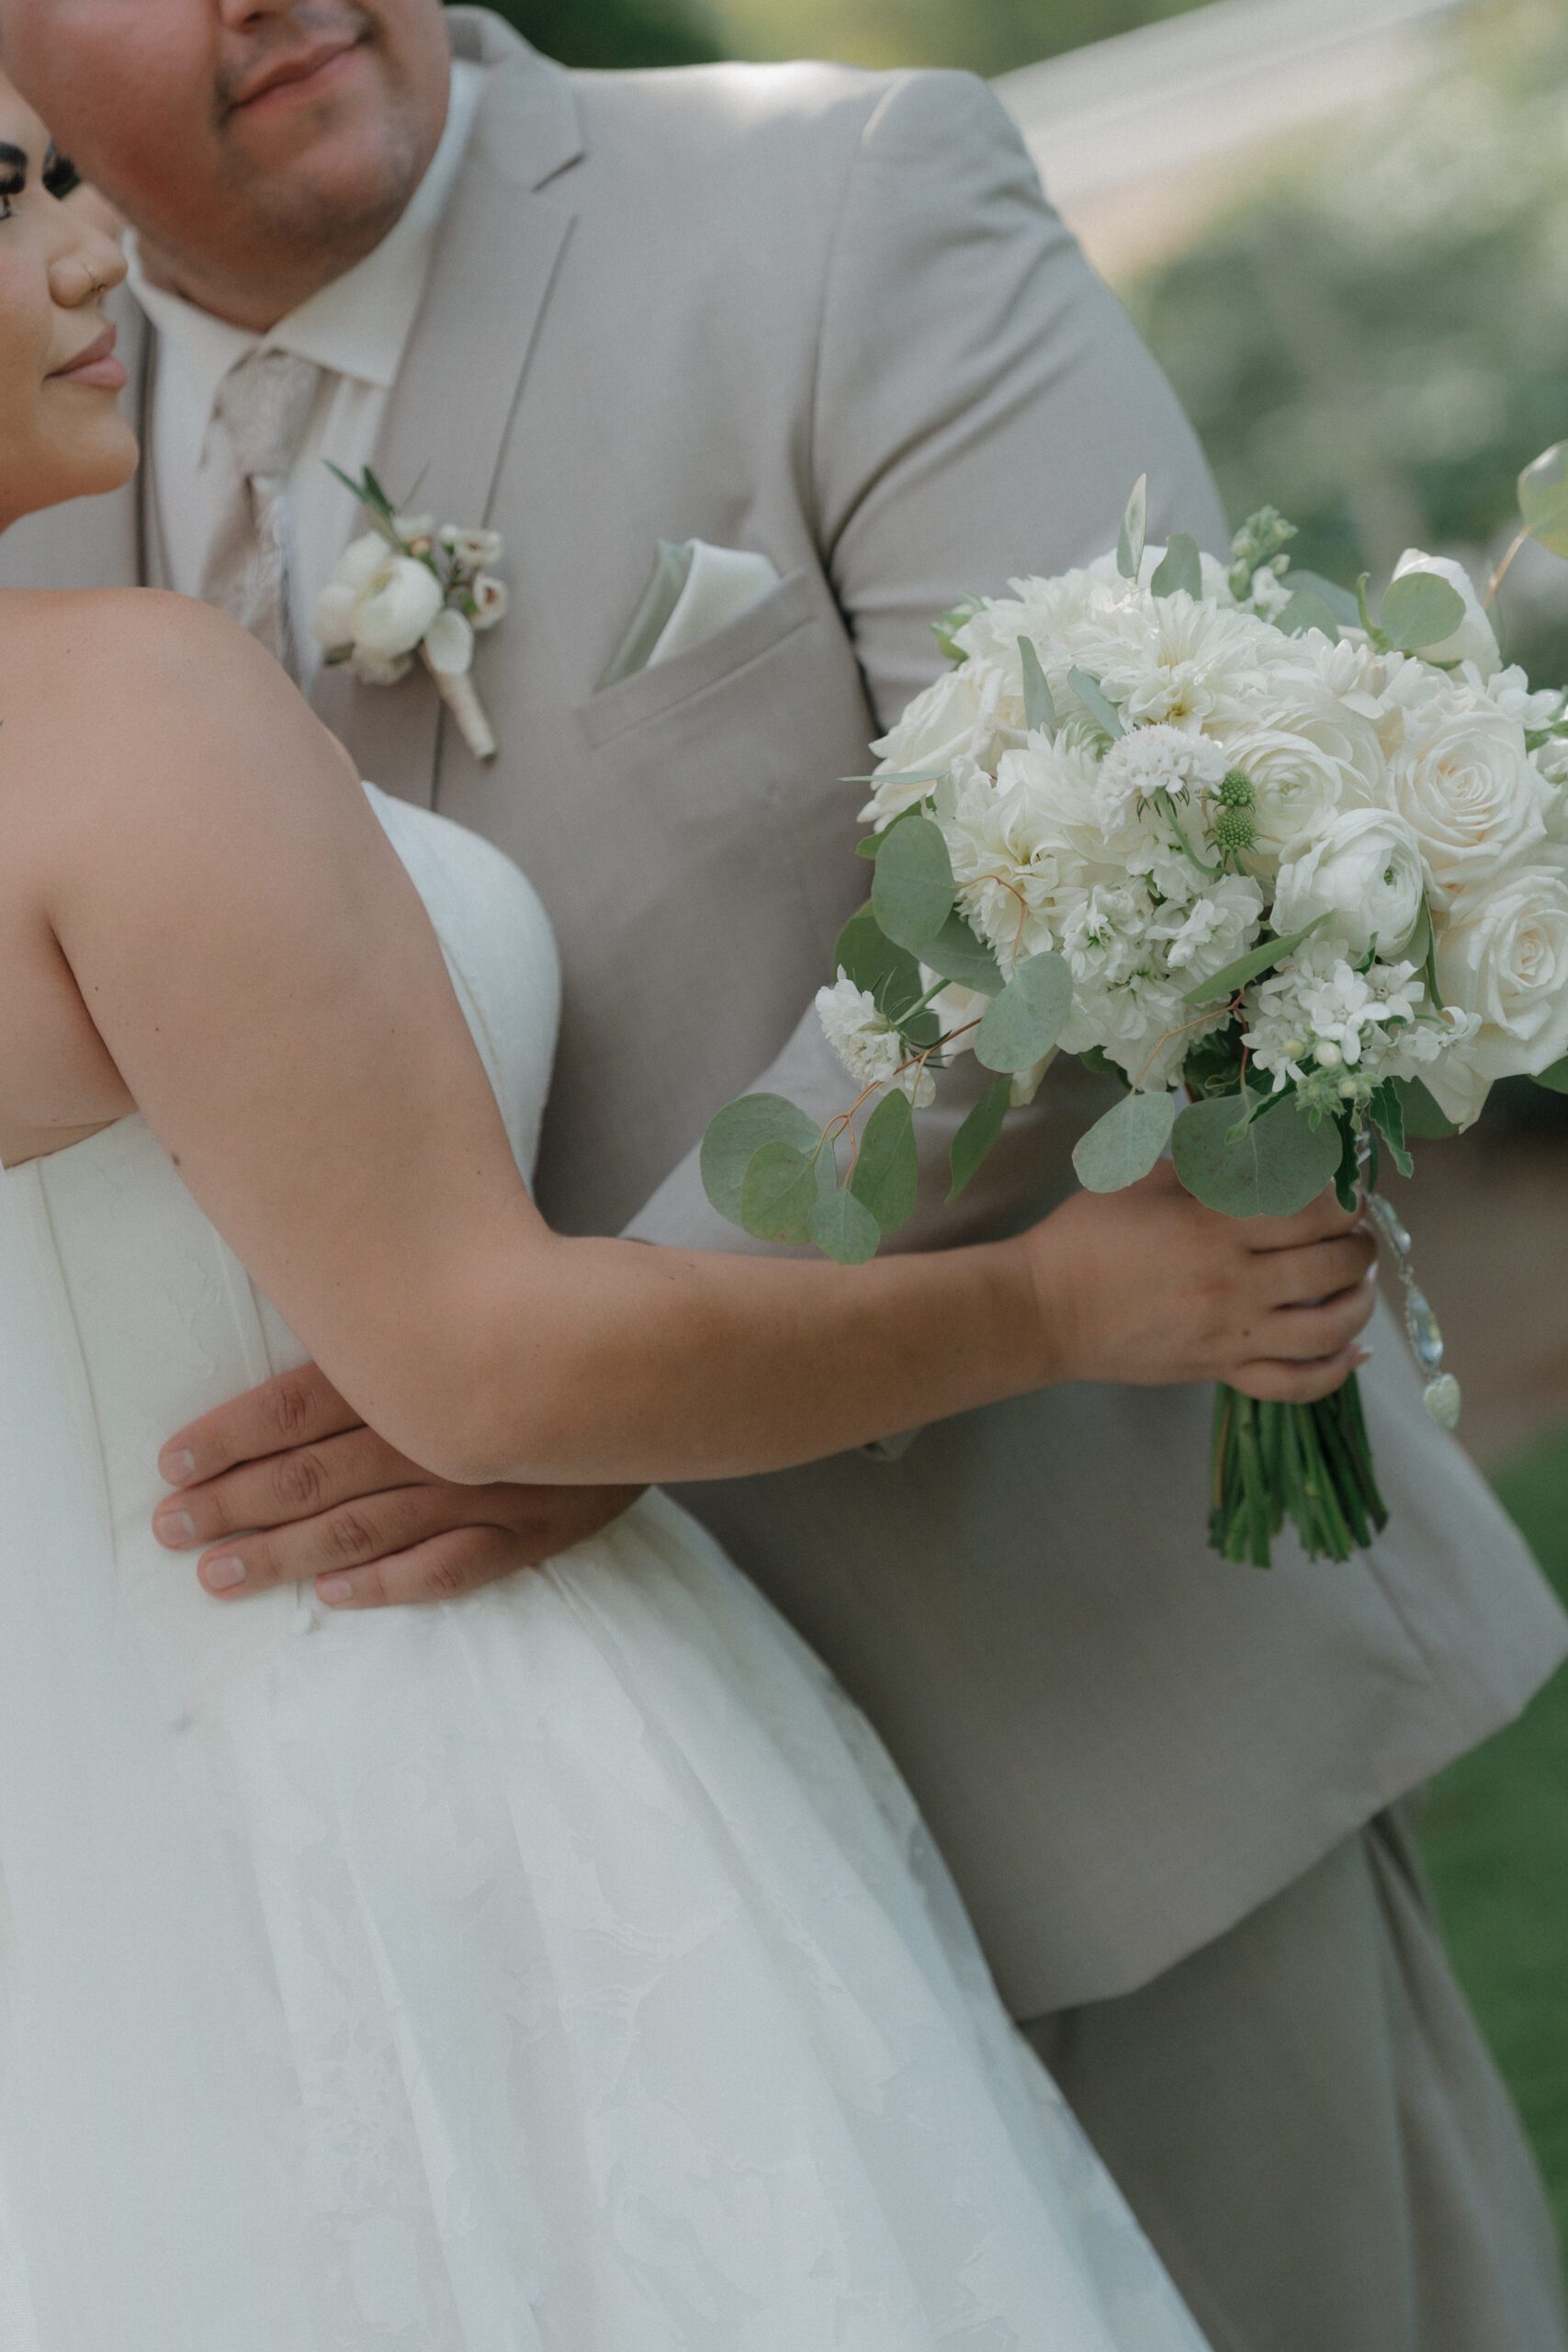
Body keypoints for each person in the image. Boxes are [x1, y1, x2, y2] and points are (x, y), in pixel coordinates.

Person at [0, 6, 1562, 2345]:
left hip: (1065, 1703)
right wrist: (519, 1387)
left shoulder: (834, 201)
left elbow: (1099, 855)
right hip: (432, 1914)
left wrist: (559, 1394)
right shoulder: (58, 501)